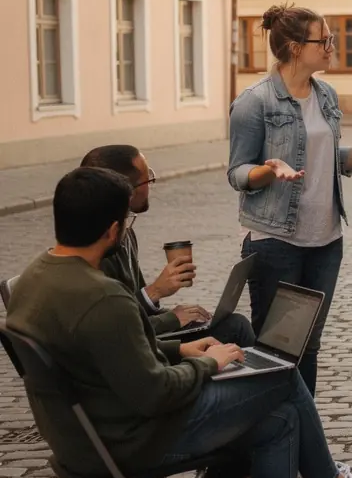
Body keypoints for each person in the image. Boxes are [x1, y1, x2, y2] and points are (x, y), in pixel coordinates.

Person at [6, 168, 352, 478]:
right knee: (281, 376)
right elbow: (157, 393)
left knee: (280, 422)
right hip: (129, 439)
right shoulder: (103, 296)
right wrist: (209, 364)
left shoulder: (34, 277)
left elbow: (100, 354)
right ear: (112, 230)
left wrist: (181, 348)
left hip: (79, 436)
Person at [228, 5, 352, 396]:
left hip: (325, 242)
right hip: (276, 243)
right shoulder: (255, 103)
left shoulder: (326, 94)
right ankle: (275, 446)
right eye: (323, 39)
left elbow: (326, 160)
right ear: (294, 47)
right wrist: (269, 170)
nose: (331, 46)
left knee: (308, 347)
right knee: (277, 349)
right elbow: (237, 173)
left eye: (331, 39)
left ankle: (304, 450)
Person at [80, 145, 255, 347]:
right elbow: (115, 327)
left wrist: (174, 312)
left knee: (230, 324)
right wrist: (156, 294)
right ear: (126, 189)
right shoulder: (98, 245)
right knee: (237, 328)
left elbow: (138, 309)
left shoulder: (127, 232)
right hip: (135, 348)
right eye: (147, 179)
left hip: (144, 339)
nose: (151, 184)